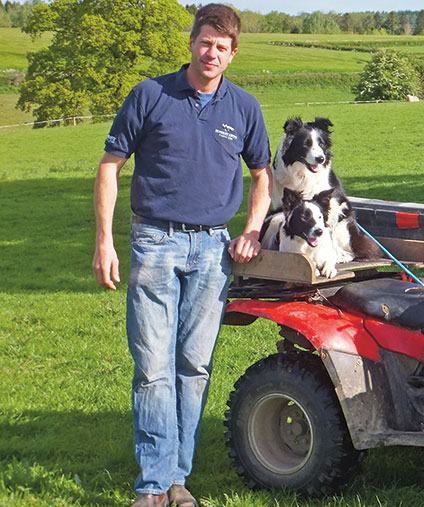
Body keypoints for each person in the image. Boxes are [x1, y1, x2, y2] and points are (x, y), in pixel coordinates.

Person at [91, 4, 271, 507]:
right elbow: (110, 165)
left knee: (193, 367)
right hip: (154, 242)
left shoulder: (244, 109)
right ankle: (152, 486)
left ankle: (178, 479)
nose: (211, 53)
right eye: (205, 42)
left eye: (222, 46)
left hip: (215, 250)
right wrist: (104, 241)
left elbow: (263, 176)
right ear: (192, 43)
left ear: (233, 54)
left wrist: (252, 230)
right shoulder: (151, 95)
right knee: (153, 367)